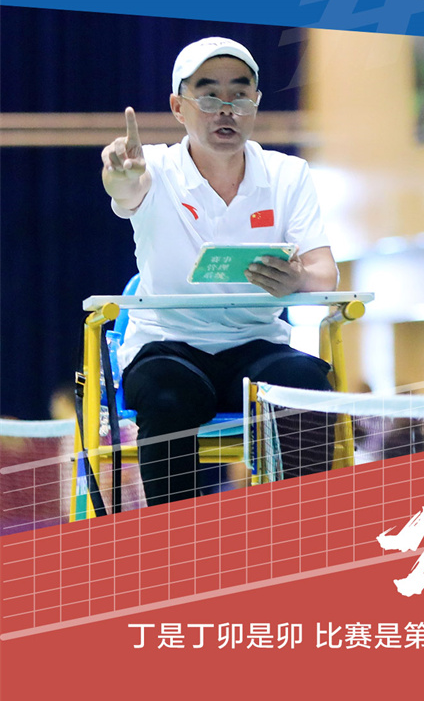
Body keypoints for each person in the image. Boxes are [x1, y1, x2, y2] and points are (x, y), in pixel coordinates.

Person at [101, 37, 338, 506]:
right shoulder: (153, 167)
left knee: (306, 384)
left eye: (239, 95)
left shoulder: (288, 175)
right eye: (208, 96)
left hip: (258, 345)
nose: (225, 109)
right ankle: (179, 543)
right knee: (167, 396)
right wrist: (120, 179)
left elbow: (324, 274)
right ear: (179, 107)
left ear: (256, 102)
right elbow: (127, 189)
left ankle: (303, 530)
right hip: (168, 346)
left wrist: (297, 280)